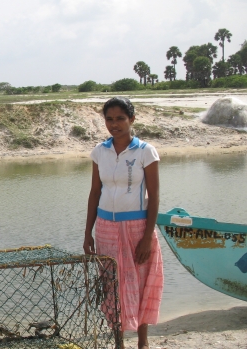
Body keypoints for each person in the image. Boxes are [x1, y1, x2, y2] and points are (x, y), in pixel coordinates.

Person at [83, 97, 163, 349]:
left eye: (120, 118)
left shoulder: (145, 151)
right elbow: (95, 192)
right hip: (106, 228)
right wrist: (88, 233)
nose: (114, 124)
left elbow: (154, 196)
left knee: (138, 282)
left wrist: (148, 237)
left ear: (132, 119)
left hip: (137, 228)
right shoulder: (99, 151)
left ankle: (142, 342)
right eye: (109, 119)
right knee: (112, 284)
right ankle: (119, 342)